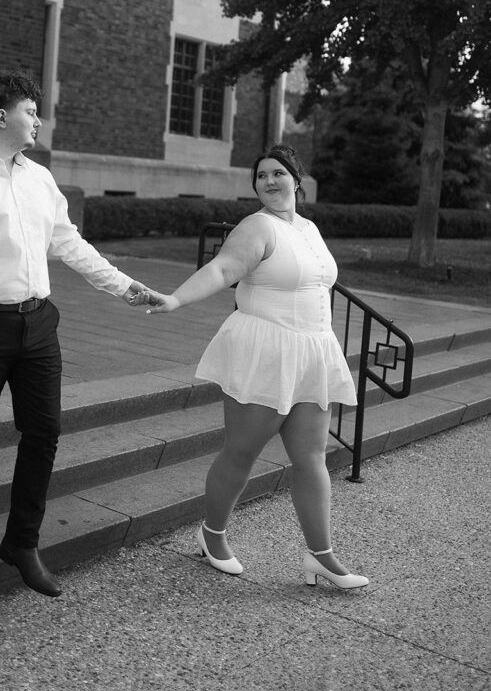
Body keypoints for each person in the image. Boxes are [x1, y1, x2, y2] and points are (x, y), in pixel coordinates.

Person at [0, 71, 152, 597]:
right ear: (2, 116)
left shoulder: (39, 178)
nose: (38, 119)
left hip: (39, 324)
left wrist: (125, 287)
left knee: (44, 433)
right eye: (30, 109)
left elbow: (70, 244)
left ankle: (21, 542)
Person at [144, 145, 368, 589]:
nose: (269, 181)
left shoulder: (308, 227)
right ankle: (212, 534)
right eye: (261, 175)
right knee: (241, 452)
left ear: (296, 180)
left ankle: (321, 557)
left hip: (313, 351)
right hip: (265, 351)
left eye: (278, 173)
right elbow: (223, 268)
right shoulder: (256, 227)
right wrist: (175, 299)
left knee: (311, 459)